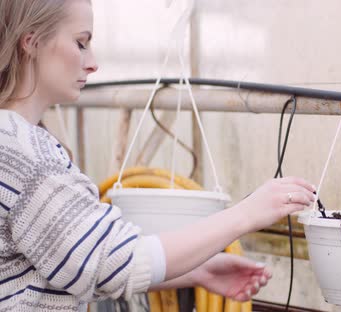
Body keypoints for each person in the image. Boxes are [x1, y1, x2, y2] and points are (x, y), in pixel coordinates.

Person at [0, 0, 316, 311]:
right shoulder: (25, 154)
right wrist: (246, 214)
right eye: (80, 43)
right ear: (32, 41)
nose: (93, 62)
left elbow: (72, 262)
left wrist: (197, 269)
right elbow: (108, 262)